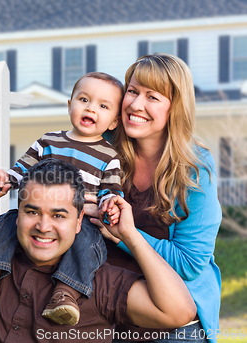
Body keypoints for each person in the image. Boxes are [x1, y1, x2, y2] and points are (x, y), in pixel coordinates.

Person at [0, 159, 197, 343]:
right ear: (16, 214)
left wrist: (129, 235)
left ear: (78, 222)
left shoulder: (97, 282)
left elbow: (178, 312)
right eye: (32, 211)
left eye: (58, 215)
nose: (43, 226)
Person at [0, 72, 125, 326]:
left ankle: (66, 295)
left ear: (113, 122)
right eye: (84, 99)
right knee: (5, 223)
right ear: (70, 105)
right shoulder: (48, 141)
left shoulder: (109, 156)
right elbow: (21, 170)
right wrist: (4, 180)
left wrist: (110, 204)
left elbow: (111, 190)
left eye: (103, 106)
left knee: (88, 243)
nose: (91, 108)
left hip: (79, 220)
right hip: (36, 213)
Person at [92, 53, 222, 343]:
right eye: (133, 91)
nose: (136, 105)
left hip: (171, 319)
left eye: (153, 97)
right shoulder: (101, 149)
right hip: (104, 305)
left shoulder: (194, 168)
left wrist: (123, 236)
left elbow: (189, 263)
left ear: (174, 108)